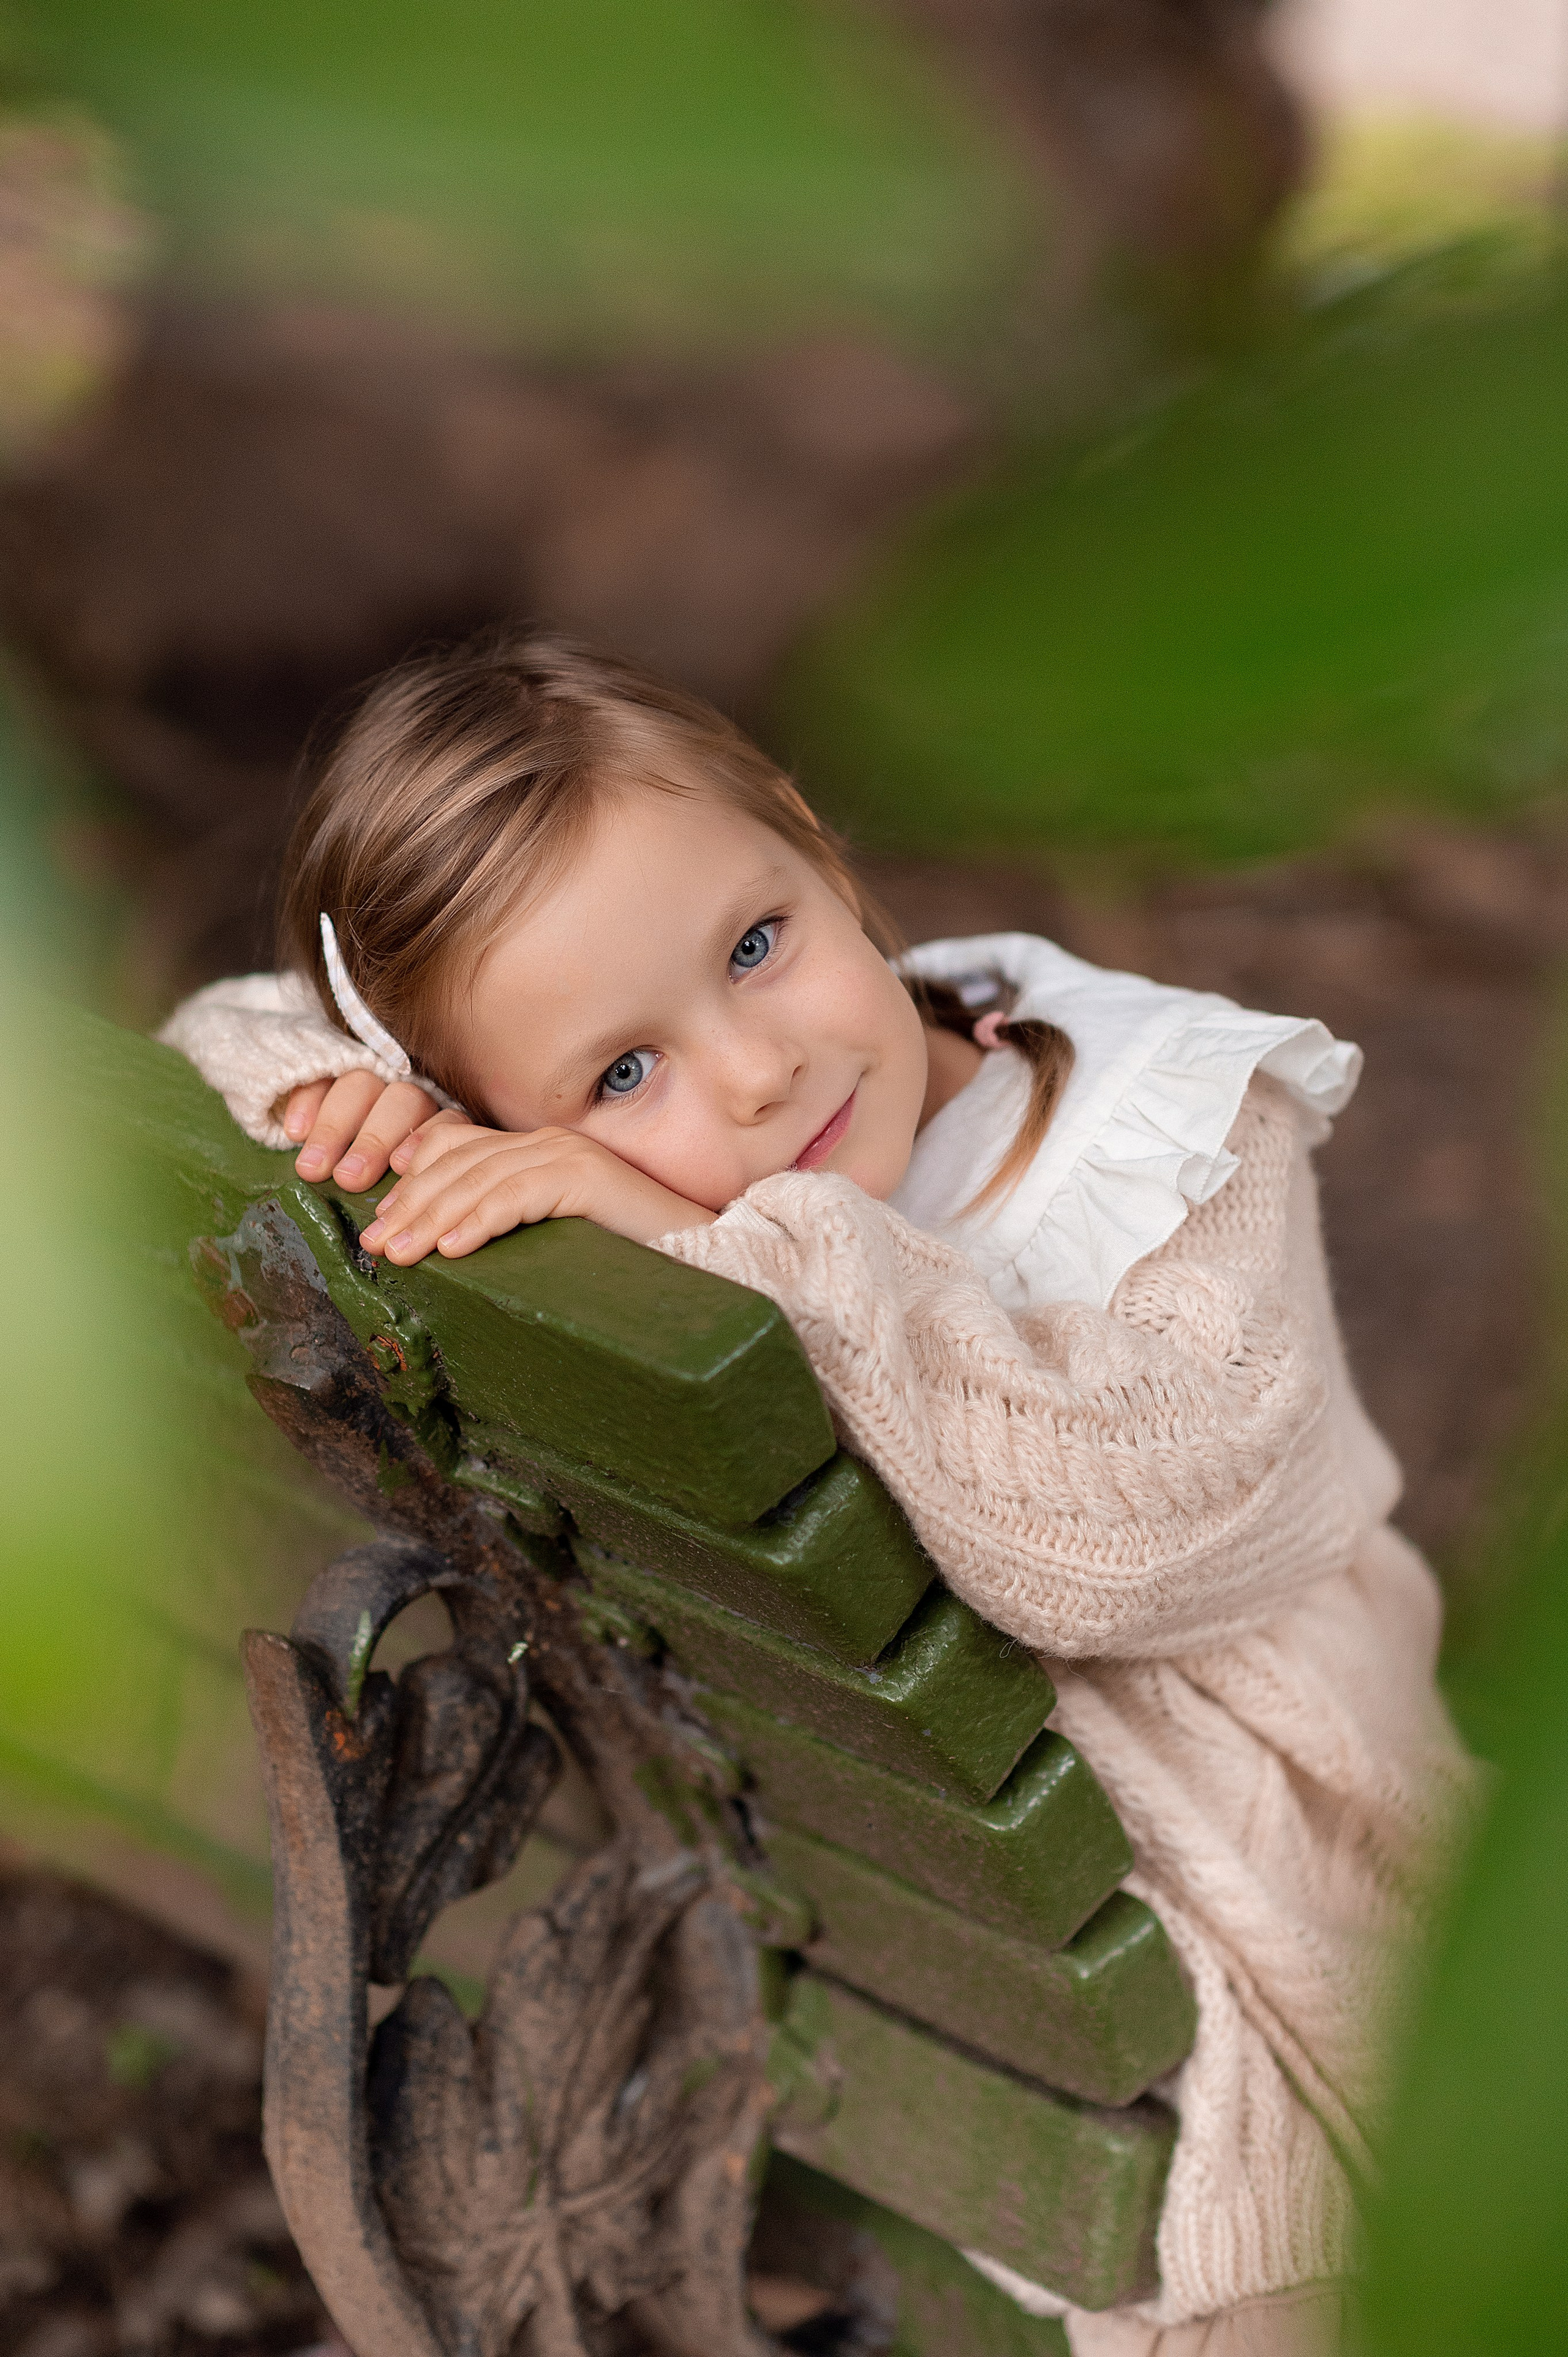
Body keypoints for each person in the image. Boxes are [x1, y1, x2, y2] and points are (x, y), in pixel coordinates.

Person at [163, 629, 1471, 2356]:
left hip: (866, 1941)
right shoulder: (682, 1188)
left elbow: (1130, 1541)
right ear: (480, 1114)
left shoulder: (1176, 1129)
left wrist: (747, 1240)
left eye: (757, 945)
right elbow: (1104, 1567)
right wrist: (400, 1117)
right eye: (623, 1075)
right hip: (1070, 1977)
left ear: (814, 840)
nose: (754, 1072)